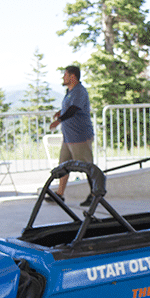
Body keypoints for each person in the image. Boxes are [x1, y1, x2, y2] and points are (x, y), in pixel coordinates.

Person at [48, 65, 94, 206]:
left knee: (87, 166)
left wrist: (58, 121)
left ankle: (95, 194)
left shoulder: (80, 91)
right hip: (68, 137)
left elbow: (74, 109)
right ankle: (59, 195)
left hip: (79, 137)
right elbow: (69, 107)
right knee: (63, 166)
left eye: (65, 75)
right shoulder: (70, 92)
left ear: (72, 76)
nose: (63, 77)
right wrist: (60, 112)